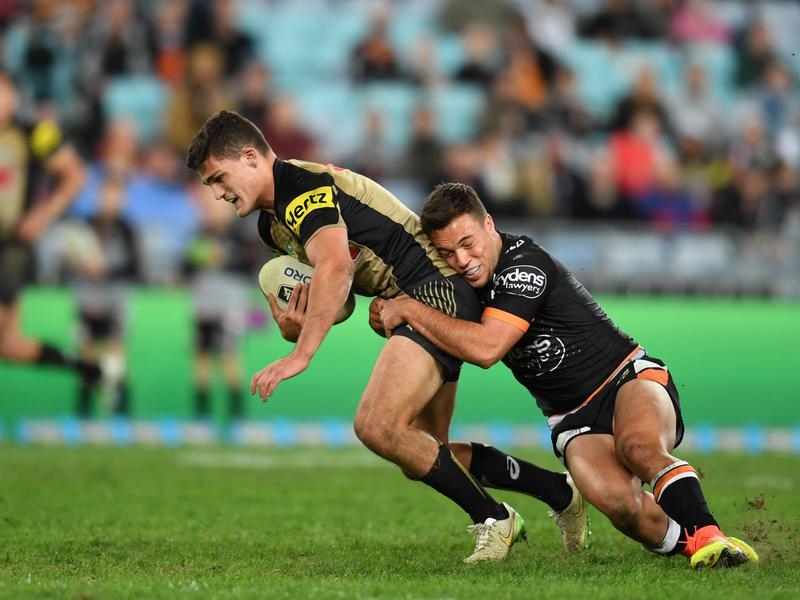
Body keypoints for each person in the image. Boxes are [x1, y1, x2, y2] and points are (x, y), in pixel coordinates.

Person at [185, 110, 587, 562]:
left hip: (434, 289)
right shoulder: (270, 224)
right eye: (209, 185)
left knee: (377, 426)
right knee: (426, 452)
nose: (217, 193)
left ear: (250, 157)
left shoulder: (300, 188)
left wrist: (302, 353)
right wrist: (298, 323)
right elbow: (340, 295)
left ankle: (495, 519)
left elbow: (336, 267)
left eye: (218, 178)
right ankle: (558, 491)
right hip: (416, 296)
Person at [377, 182, 759, 570]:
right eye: (447, 252)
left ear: (488, 224)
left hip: (624, 379)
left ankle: (710, 535)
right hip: (571, 420)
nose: (462, 259)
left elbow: (487, 349)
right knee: (621, 507)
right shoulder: (462, 287)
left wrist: (409, 310)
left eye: (467, 243)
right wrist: (393, 315)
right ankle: (702, 550)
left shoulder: (523, 265)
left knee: (638, 448)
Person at [0, 70, 104, 389]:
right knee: (9, 345)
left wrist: (42, 216)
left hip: (11, 247)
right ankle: (88, 369)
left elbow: (75, 175)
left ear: (14, 97)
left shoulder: (35, 133)